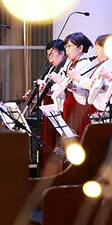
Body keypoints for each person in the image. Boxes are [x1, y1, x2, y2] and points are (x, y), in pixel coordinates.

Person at [48, 32, 94, 137]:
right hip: (68, 104)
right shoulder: (69, 63)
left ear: (80, 48)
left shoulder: (85, 64)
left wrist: (61, 81)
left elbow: (84, 89)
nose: (66, 50)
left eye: (69, 46)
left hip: (78, 107)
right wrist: (50, 91)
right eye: (66, 46)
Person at [37, 40, 68, 173]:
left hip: (60, 107)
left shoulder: (64, 67)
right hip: (49, 107)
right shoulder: (51, 69)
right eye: (48, 55)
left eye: (52, 54)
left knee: (59, 141)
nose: (50, 58)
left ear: (62, 53)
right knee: (48, 140)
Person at [75, 34, 112, 121]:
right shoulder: (102, 64)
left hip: (106, 108)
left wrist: (78, 78)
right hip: (99, 106)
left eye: (98, 48)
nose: (95, 52)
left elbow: (101, 86)